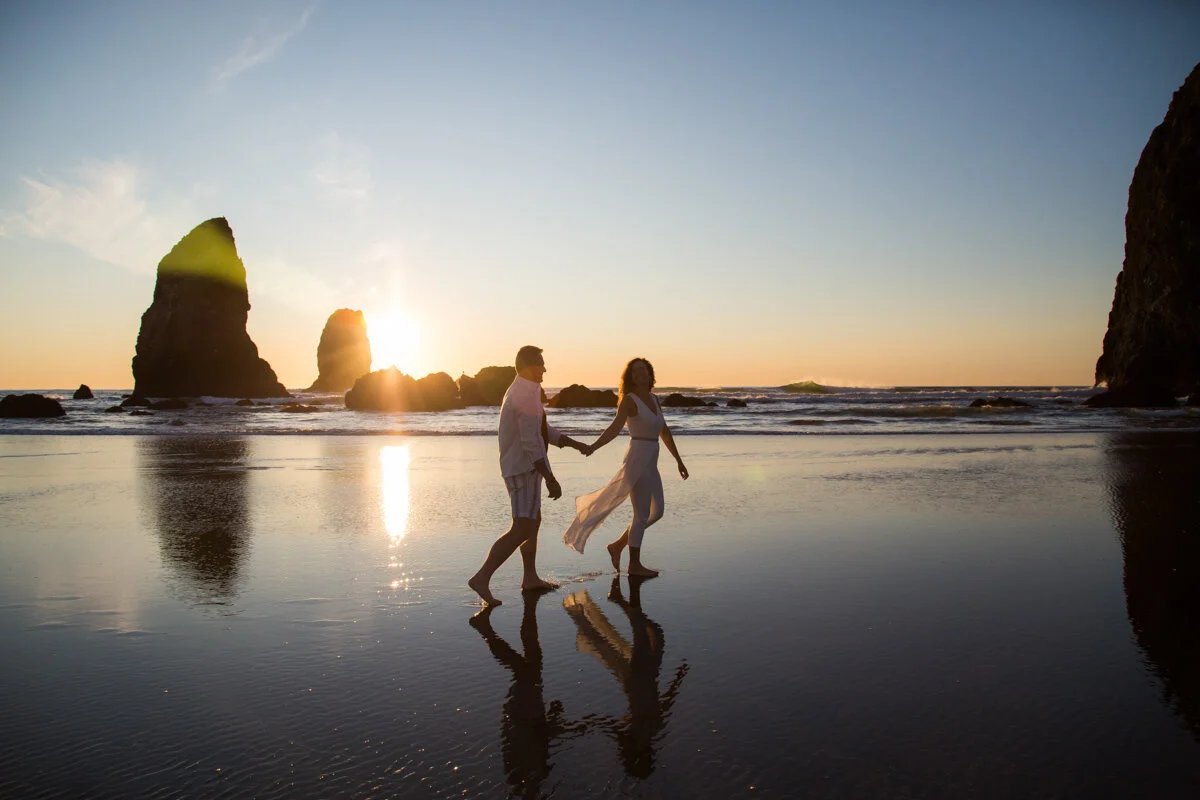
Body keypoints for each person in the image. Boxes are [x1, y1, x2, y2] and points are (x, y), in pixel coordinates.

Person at [469, 345, 590, 606]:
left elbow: (542, 430)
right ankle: (481, 578)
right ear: (528, 365)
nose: (545, 368)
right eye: (541, 363)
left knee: (532, 521)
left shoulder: (527, 391)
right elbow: (529, 442)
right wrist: (550, 477)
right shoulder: (523, 393)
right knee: (523, 526)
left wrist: (575, 444)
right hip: (523, 468)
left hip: (526, 467)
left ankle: (530, 577)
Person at [563, 357, 688, 576]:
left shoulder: (654, 399)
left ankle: (618, 545)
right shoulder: (629, 400)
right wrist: (594, 446)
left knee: (657, 512)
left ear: (650, 374)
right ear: (630, 377)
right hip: (637, 458)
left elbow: (664, 432)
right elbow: (614, 428)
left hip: (652, 460)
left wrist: (678, 460)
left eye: (643, 370)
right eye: (635, 371)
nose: (640, 374)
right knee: (640, 514)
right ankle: (634, 566)